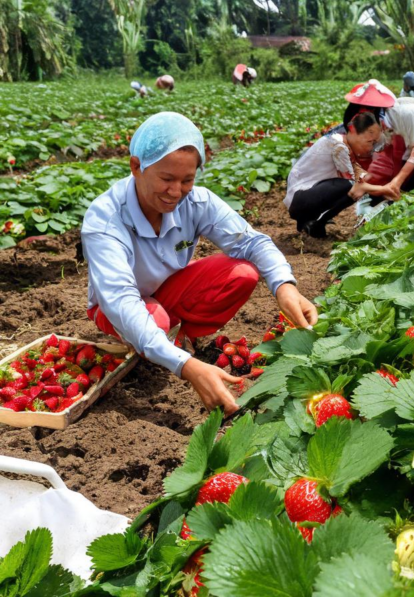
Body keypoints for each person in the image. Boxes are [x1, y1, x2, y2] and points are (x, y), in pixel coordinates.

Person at [81, 112, 317, 417]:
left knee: (243, 274)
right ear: (137, 167)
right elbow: (120, 301)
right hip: (114, 307)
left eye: (187, 180)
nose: (176, 192)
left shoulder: (196, 202)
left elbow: (252, 242)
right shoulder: (105, 219)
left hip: (167, 289)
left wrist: (284, 286)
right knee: (154, 322)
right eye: (166, 179)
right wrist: (186, 366)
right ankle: (164, 344)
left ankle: (173, 340)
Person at [284, 111, 400, 238]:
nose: (369, 148)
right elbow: (357, 185)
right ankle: (315, 222)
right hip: (300, 199)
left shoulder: (340, 141)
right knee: (348, 187)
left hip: (304, 194)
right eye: (369, 142)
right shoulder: (339, 146)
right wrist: (385, 189)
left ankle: (312, 220)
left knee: (349, 187)